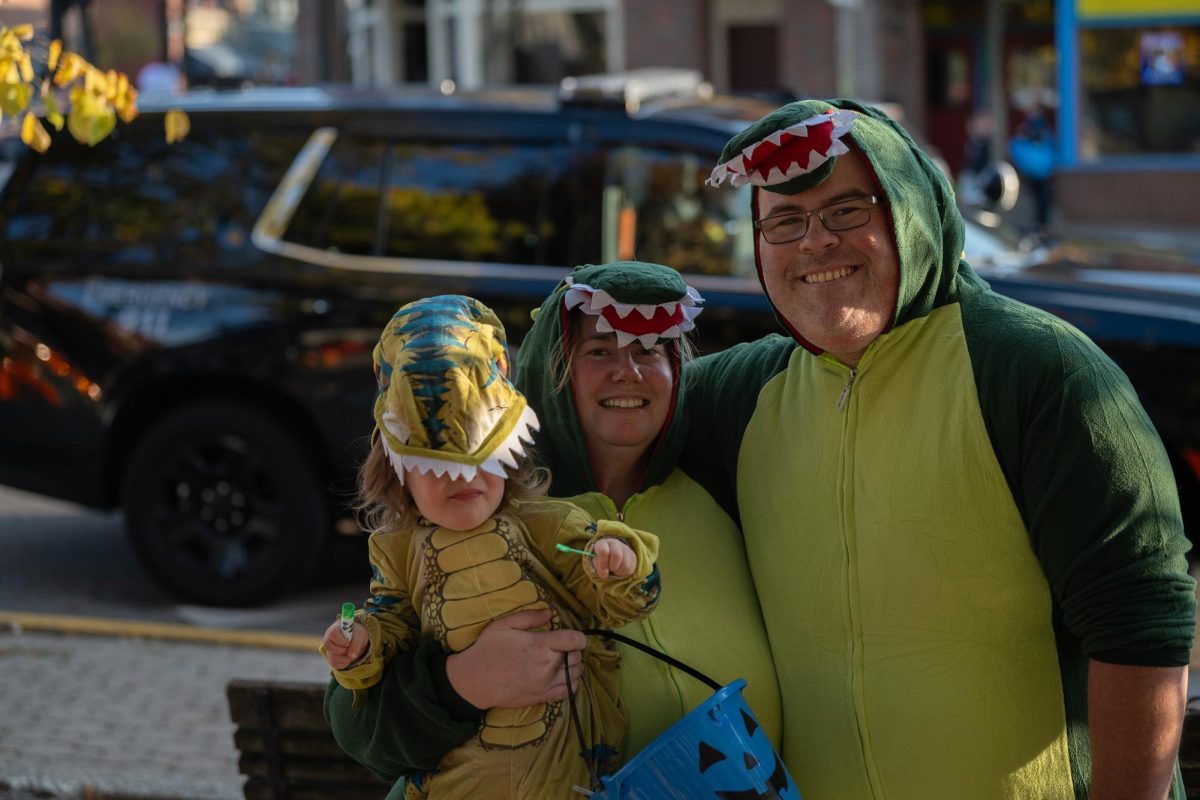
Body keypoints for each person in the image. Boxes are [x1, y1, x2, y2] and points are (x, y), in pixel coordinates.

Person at [696, 98, 1196, 799]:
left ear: (910, 211)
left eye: (846, 210)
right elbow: (569, 431)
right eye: (784, 221)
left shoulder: (1035, 371)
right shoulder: (739, 394)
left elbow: (1142, 627)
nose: (814, 243)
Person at [324, 262, 782, 798]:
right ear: (554, 365)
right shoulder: (491, 509)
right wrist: (460, 684)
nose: (627, 372)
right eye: (598, 352)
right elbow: (357, 726)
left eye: (649, 350)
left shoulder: (721, 481)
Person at [321, 293, 663, 799]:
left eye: (480, 452)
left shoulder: (550, 525)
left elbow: (619, 602)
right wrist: (363, 644)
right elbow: (391, 622)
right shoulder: (394, 550)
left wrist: (620, 563)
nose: (464, 476)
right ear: (397, 472)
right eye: (438, 462)